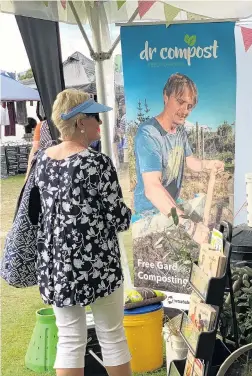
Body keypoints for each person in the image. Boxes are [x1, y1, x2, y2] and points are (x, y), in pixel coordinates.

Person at [34, 89, 132, 376]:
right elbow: (119, 218)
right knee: (112, 335)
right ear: (79, 122)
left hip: (57, 264)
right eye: (95, 118)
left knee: (69, 340)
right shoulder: (96, 163)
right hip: (97, 263)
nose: (100, 125)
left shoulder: (43, 161)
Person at [132, 73, 224, 243]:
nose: (185, 111)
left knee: (202, 207)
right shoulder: (148, 134)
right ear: (165, 97)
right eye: (180, 102)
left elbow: (190, 161)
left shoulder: (179, 130)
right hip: (150, 215)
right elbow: (152, 189)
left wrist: (208, 164)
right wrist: (188, 225)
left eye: (189, 106)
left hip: (170, 208)